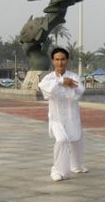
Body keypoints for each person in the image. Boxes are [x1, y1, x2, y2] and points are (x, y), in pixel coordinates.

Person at [38, 47, 88, 182]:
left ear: (67, 60)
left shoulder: (73, 76)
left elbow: (80, 91)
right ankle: (57, 170)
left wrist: (69, 84)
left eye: (63, 59)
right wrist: (61, 82)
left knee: (76, 140)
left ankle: (76, 165)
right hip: (56, 118)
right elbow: (46, 89)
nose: (60, 62)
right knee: (61, 140)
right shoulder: (48, 78)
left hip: (72, 115)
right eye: (57, 59)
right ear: (53, 61)